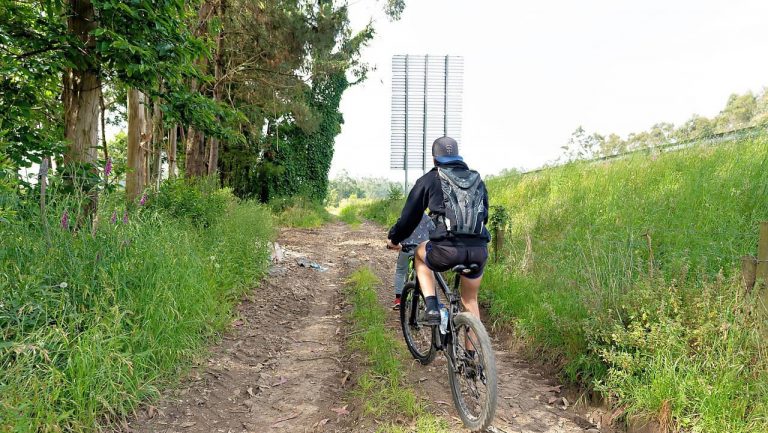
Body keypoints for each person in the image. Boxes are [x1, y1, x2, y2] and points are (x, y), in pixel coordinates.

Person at [387, 136, 490, 325]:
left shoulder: (429, 179)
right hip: (478, 250)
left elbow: (410, 218)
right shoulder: (477, 179)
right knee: (470, 300)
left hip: (446, 250)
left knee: (420, 254)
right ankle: (471, 354)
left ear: (434, 159)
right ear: (458, 156)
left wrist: (394, 239)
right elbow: (484, 217)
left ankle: (432, 307)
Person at [392, 213, 434, 310]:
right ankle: (423, 299)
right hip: (422, 251)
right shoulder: (428, 219)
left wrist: (394, 242)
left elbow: (396, 230)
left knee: (400, 271)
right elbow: (433, 233)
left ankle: (398, 299)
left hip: (406, 249)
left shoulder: (405, 216)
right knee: (424, 273)